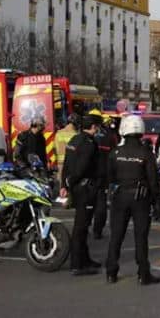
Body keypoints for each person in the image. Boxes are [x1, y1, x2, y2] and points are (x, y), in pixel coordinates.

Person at [105, 115, 160, 285]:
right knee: (141, 237)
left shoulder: (115, 153)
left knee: (116, 235)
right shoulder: (146, 153)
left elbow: (110, 177)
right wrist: (156, 202)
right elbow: (153, 180)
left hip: (120, 196)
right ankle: (143, 274)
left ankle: (111, 272)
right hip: (141, 198)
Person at [61, 114, 102, 276]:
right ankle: (77, 264)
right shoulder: (89, 144)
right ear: (93, 127)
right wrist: (72, 181)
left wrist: (65, 184)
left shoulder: (74, 140)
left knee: (82, 226)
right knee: (81, 227)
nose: (98, 129)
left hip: (76, 187)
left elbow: (66, 163)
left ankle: (85, 259)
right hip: (85, 188)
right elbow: (82, 167)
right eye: (97, 126)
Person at [87, 109, 118, 240]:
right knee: (101, 204)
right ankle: (97, 231)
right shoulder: (111, 136)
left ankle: (85, 227)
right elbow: (115, 155)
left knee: (87, 204)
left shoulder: (87, 135)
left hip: (88, 175)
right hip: (103, 175)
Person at [54, 113, 80, 202]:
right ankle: (71, 199)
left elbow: (55, 149)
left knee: (62, 182)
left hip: (61, 163)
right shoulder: (76, 135)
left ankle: (63, 199)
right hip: (72, 162)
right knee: (72, 181)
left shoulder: (59, 133)